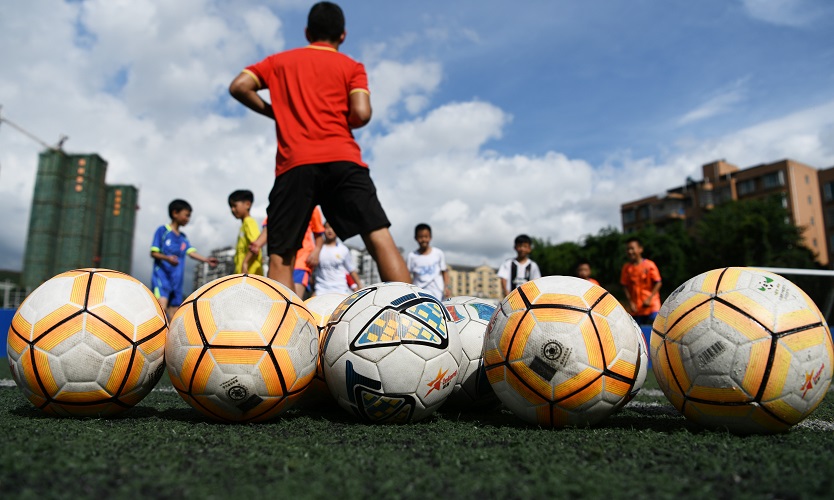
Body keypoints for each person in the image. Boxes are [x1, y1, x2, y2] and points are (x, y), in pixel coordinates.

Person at [229, 1, 410, 293]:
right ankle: (418, 320)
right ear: (343, 35)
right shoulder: (352, 67)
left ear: (307, 32)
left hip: (295, 164)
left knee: (282, 254)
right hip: (343, 159)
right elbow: (362, 113)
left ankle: (284, 336)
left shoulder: (278, 62)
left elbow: (239, 86)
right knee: (378, 236)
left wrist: (275, 111)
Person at [150, 199, 218, 317]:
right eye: (186, 215)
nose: (188, 219)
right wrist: (167, 258)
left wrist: (206, 260)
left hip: (177, 282)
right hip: (162, 278)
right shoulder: (163, 231)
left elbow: (191, 252)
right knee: (161, 309)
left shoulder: (183, 237)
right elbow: (154, 252)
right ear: (175, 213)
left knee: (176, 315)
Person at [620, 237, 662, 325]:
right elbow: (625, 286)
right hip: (636, 309)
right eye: (628, 249)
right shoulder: (626, 268)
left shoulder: (649, 265)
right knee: (638, 333)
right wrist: (630, 302)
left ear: (640, 249)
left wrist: (650, 298)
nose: (630, 251)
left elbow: (658, 282)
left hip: (651, 306)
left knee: (654, 330)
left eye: (632, 248)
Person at [313, 221, 362, 296]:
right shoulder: (317, 249)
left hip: (340, 291)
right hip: (321, 290)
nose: (329, 230)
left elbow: (351, 270)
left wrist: (360, 286)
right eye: (326, 227)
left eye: (332, 227)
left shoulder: (343, 249)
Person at [406, 223, 449, 301]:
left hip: (437, 294)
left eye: (426, 237)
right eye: (420, 237)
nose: (423, 240)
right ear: (415, 238)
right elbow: (408, 275)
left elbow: (444, 272)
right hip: (419, 294)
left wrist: (447, 287)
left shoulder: (438, 253)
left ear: (430, 237)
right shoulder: (412, 256)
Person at [228, 189, 263, 275]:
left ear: (247, 204)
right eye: (231, 207)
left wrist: (245, 262)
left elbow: (255, 245)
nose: (232, 209)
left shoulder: (249, 222)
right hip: (242, 275)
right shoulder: (243, 226)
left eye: (235, 206)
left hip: (251, 274)